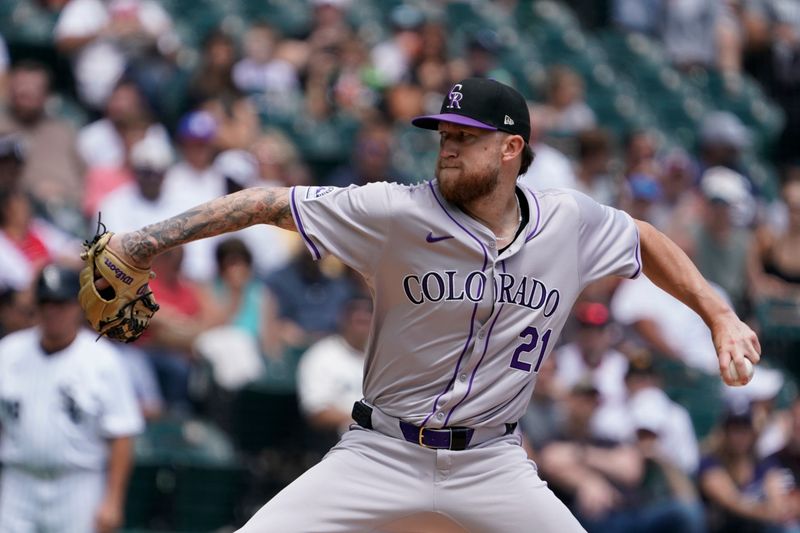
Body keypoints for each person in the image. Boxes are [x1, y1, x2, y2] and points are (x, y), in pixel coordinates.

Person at [92, 77, 760, 532]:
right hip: (380, 451)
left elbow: (645, 240)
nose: (447, 143)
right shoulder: (393, 210)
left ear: (510, 148)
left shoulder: (568, 222)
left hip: (494, 462)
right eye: (443, 132)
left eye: (464, 136)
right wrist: (145, 240)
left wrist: (719, 314)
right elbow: (266, 201)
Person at [0, 264, 143, 532]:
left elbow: (122, 434)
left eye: (60, 303)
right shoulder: (8, 352)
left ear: (79, 306)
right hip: (18, 480)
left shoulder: (103, 360)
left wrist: (113, 500)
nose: (52, 311)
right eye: (45, 303)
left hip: (78, 483)